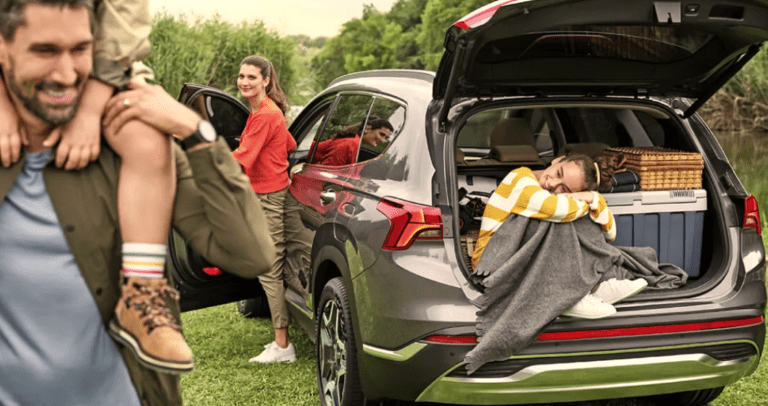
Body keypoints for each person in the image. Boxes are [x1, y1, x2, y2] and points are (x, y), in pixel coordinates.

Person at [0, 1, 274, 404]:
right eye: (44, 51)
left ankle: (143, 291)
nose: (66, 73)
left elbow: (251, 255)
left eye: (80, 49)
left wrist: (193, 129)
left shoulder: (134, 152)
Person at [0, 0, 190, 372]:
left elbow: (126, 16)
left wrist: (90, 109)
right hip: (13, 61)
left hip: (101, 69)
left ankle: (142, 292)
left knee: (144, 137)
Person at [471, 153, 648, 318]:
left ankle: (593, 288)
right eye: (558, 172)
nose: (553, 183)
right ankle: (569, 296)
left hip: (517, 259)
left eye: (564, 188)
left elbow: (610, 233)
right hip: (492, 261)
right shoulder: (519, 179)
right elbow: (553, 208)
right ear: (557, 160)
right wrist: (591, 200)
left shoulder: (549, 191)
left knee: (574, 217)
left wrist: (592, 200)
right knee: (560, 218)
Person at [232, 55, 301, 363]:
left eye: (251, 77)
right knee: (294, 255)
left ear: (266, 81)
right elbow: (289, 144)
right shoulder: (267, 111)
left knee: (269, 269)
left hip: (268, 197)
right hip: (278, 190)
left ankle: (283, 346)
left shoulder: (263, 115)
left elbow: (242, 159)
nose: (244, 81)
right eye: (241, 76)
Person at [313, 116, 393, 166]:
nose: (383, 140)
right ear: (367, 129)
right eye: (381, 134)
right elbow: (327, 171)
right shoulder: (351, 143)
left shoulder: (355, 142)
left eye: (386, 138)